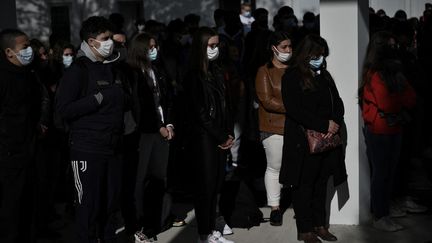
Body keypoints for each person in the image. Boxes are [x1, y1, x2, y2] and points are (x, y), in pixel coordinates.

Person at [55, 16, 125, 243]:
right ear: (92, 41)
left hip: (111, 146)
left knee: (109, 204)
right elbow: (64, 109)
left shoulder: (110, 67)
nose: (110, 43)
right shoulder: (78, 70)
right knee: (87, 208)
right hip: (87, 149)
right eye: (105, 39)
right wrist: (97, 99)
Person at [280, 34, 346, 243]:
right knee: (304, 186)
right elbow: (294, 109)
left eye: (323, 55)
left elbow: (338, 102)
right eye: (317, 55)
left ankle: (320, 225)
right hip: (304, 142)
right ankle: (305, 229)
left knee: (321, 184)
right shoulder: (292, 76)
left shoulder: (324, 76)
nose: (321, 59)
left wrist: (334, 123)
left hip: (326, 142)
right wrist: (323, 124)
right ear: (306, 54)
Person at [359, 31, 416, 232]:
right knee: (381, 174)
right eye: (390, 47)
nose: (395, 50)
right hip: (380, 130)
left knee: (390, 173)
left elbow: (411, 99)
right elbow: (387, 105)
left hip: (395, 128)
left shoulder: (396, 73)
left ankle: (386, 211)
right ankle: (380, 215)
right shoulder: (375, 75)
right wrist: (399, 95)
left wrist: (397, 96)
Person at [184, 26, 234, 243]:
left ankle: (212, 229)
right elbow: (200, 113)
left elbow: (225, 105)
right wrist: (220, 135)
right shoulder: (193, 75)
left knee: (215, 185)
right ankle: (204, 234)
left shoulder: (216, 71)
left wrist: (228, 133)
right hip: (204, 138)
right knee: (205, 188)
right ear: (201, 47)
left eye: (217, 45)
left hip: (219, 135)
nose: (215, 49)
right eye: (211, 45)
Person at [125, 32, 174, 242]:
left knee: (158, 178)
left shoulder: (158, 70)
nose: (154, 50)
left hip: (162, 131)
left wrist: (169, 123)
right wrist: (158, 126)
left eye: (155, 46)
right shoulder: (132, 73)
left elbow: (167, 100)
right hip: (144, 133)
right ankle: (137, 224)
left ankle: (153, 222)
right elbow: (141, 106)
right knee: (139, 180)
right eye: (150, 47)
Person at [0, 28, 48, 243]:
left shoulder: (29, 74)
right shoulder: (4, 77)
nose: (30, 50)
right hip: (10, 155)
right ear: (9, 52)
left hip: (30, 150)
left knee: (29, 203)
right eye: (24, 47)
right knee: (12, 206)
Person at [255, 31, 292, 226]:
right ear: (274, 48)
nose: (288, 50)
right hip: (273, 127)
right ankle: (275, 207)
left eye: (290, 46)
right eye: (284, 47)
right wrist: (294, 108)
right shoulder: (264, 71)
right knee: (274, 167)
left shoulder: (294, 69)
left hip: (295, 126)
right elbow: (267, 100)